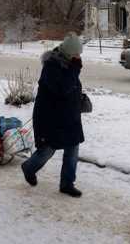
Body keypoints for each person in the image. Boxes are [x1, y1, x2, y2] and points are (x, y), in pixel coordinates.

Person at [21, 33, 85, 198]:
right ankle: (28, 168)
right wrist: (75, 68)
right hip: (50, 118)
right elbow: (63, 88)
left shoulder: (69, 64)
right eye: (76, 54)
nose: (79, 57)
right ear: (69, 53)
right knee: (47, 150)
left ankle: (67, 184)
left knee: (73, 149)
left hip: (70, 117)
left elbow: (72, 88)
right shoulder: (52, 66)